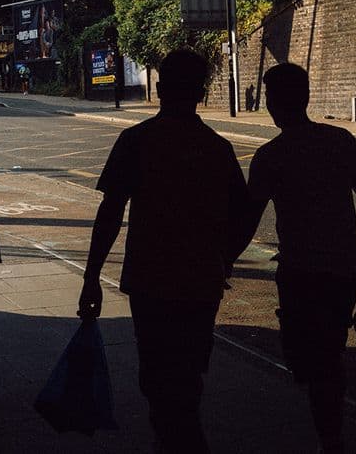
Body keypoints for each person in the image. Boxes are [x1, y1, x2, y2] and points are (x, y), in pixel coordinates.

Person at [78, 49, 248, 453]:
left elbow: (110, 214)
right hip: (200, 281)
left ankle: (175, 442)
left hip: (150, 277)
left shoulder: (136, 141)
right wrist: (224, 258)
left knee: (156, 377)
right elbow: (244, 214)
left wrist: (90, 277)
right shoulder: (218, 149)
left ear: (161, 87)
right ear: (201, 92)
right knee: (188, 377)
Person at [229, 62, 356, 454]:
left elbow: (247, 222)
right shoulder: (341, 141)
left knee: (308, 356)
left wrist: (223, 260)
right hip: (342, 269)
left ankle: (330, 433)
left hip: (300, 272)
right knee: (329, 349)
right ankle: (330, 424)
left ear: (274, 103)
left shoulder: (271, 156)